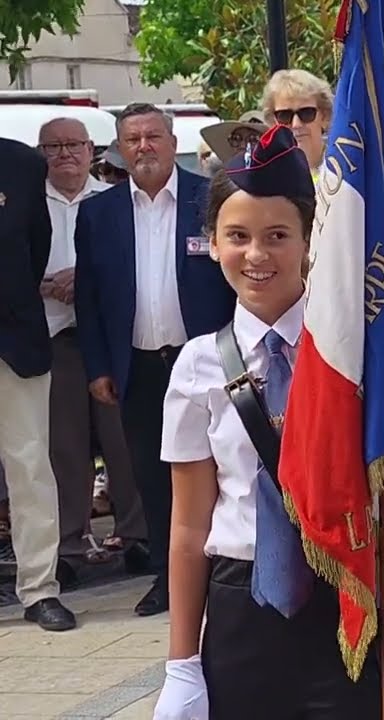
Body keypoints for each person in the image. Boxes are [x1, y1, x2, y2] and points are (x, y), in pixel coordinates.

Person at [152, 125, 384, 720]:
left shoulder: (363, 352)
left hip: (352, 605)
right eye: (238, 236)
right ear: (213, 243)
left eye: (277, 235)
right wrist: (181, 664)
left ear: (309, 240)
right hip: (242, 611)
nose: (257, 255)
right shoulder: (198, 365)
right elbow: (189, 527)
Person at [75, 103, 237, 617]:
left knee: (223, 468)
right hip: (139, 368)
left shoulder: (209, 198)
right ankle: (171, 580)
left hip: (208, 361)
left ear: (172, 142)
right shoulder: (98, 214)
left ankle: (227, 575)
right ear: (119, 149)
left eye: (153, 136)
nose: (143, 146)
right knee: (153, 476)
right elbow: (89, 299)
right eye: (133, 139)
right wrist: (99, 367)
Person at [37, 117, 142, 571]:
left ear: (91, 150)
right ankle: (70, 546)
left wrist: (84, 277)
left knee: (124, 440)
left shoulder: (113, 200)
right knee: (65, 447)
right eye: (53, 146)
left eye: (74, 145)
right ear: (41, 154)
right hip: (54, 335)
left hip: (110, 335)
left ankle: (137, 537)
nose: (65, 154)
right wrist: (42, 283)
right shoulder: (28, 202)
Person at [0, 136, 77, 631]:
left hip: (15, 336)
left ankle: (39, 588)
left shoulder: (23, 164)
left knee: (29, 466)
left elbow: (35, 247)